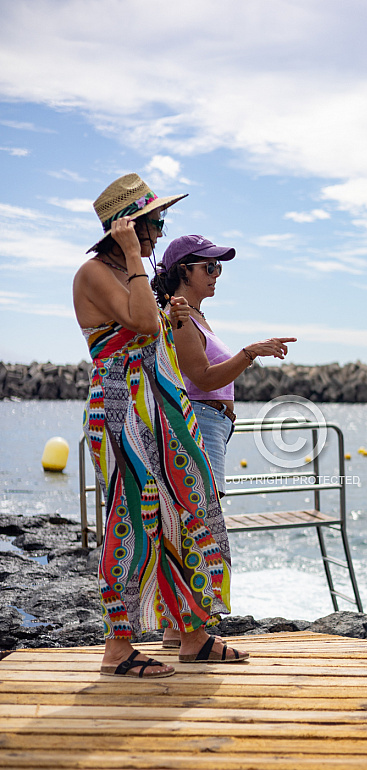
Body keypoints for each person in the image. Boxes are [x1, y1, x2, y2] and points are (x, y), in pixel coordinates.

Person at [73, 173, 248, 677]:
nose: (158, 231)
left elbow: (155, 333)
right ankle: (117, 647)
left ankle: (193, 633)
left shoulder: (133, 274)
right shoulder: (94, 273)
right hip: (122, 405)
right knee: (132, 516)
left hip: (161, 403)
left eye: (158, 222)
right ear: (126, 227)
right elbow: (142, 324)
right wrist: (132, 256)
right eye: (153, 222)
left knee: (189, 505)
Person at [151, 234, 296, 497]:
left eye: (218, 267)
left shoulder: (194, 317)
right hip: (202, 423)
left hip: (212, 424)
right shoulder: (180, 317)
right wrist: (250, 353)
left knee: (205, 521)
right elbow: (204, 379)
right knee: (204, 521)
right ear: (184, 271)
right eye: (209, 267)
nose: (216, 274)